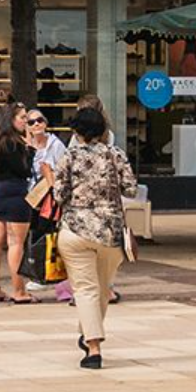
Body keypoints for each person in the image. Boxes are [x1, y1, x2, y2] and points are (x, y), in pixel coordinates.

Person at [55, 107, 137, 370]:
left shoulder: (68, 157)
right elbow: (131, 189)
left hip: (75, 228)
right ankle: (90, 335)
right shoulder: (116, 155)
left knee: (86, 289)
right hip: (110, 232)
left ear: (76, 131)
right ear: (102, 131)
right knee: (101, 288)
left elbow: (59, 195)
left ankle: (92, 346)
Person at [0, 102, 36, 303]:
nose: (26, 121)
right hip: (15, 193)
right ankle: (19, 290)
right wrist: (30, 149)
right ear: (11, 119)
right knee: (16, 243)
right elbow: (23, 171)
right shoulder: (14, 143)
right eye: (22, 117)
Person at [27, 108, 68, 184]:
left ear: (45, 124)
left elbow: (65, 171)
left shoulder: (56, 145)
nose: (36, 124)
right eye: (31, 122)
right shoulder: (26, 147)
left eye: (39, 120)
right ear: (28, 128)